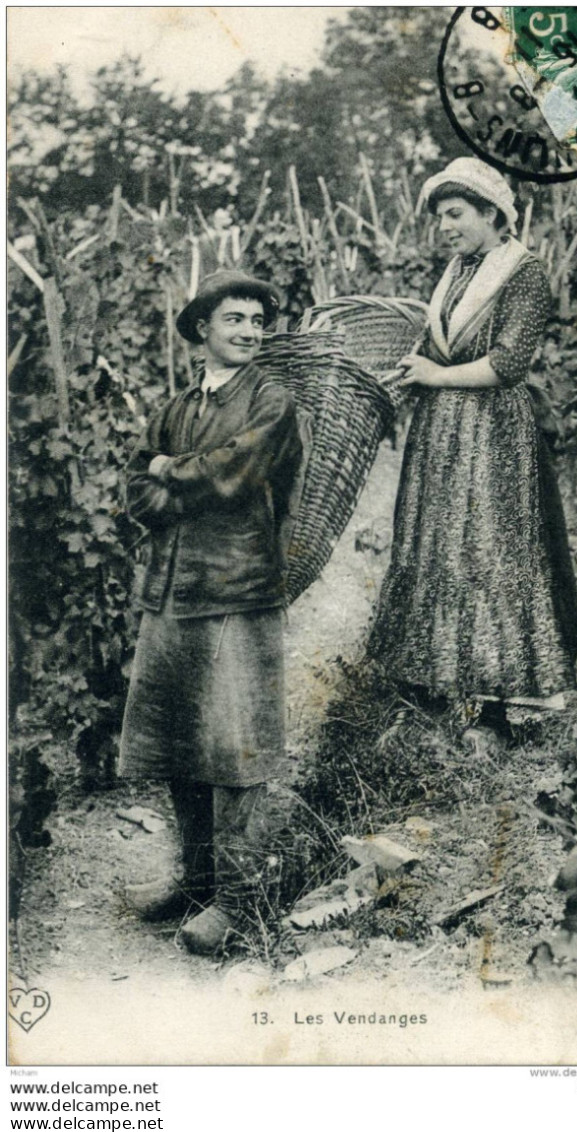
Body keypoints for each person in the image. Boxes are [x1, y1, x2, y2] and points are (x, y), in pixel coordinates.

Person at [118, 269, 302, 955]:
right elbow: (136, 483)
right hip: (171, 589)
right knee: (177, 747)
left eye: (258, 320)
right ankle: (193, 885)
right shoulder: (175, 405)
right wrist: (161, 480)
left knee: (235, 748)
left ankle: (238, 902)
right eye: (235, 319)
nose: (250, 331)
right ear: (203, 328)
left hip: (236, 589)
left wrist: (173, 472)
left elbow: (236, 474)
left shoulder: (272, 399)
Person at [368, 157, 577, 732]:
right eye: (440, 217)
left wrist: (434, 377)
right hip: (442, 433)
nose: (445, 227)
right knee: (438, 549)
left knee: (490, 553)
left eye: (456, 214)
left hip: (492, 434)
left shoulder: (523, 272)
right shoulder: (459, 271)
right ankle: (434, 687)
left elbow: (509, 363)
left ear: (492, 213)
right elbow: (442, 346)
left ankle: (493, 708)